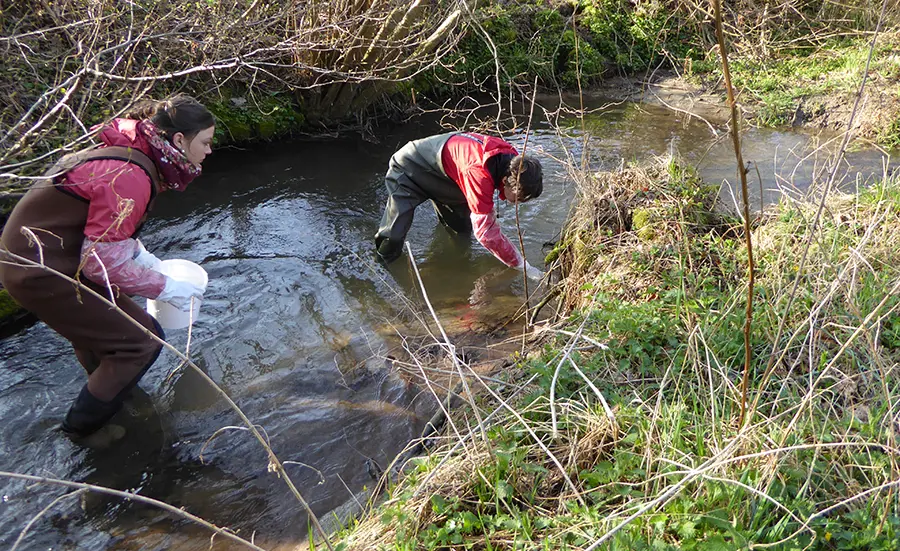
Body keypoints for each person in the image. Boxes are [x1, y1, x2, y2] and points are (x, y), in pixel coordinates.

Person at [0, 94, 215, 446]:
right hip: (40, 270)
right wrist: (165, 288)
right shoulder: (131, 175)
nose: (208, 151)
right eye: (205, 142)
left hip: (41, 258)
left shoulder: (133, 153)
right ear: (179, 140)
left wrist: (139, 254)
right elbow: (104, 263)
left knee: (106, 332)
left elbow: (96, 228)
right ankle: (80, 432)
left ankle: (113, 392)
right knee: (141, 343)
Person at [374, 131, 545, 280]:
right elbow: (486, 235)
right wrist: (522, 266)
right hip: (409, 169)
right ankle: (379, 272)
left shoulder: (514, 163)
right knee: (393, 237)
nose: (518, 203)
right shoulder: (479, 173)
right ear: (506, 181)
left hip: (448, 178)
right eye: (518, 198)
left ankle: (449, 271)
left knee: (461, 230)